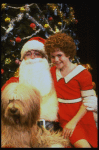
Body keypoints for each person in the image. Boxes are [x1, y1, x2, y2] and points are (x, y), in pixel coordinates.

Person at [44, 32, 98, 148]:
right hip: (64, 118)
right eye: (53, 56)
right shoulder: (52, 72)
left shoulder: (83, 74)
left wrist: (72, 123)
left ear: (68, 54)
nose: (56, 59)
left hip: (81, 118)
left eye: (59, 55)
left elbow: (88, 102)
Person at [1, 37, 58, 131]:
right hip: (22, 126)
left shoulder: (55, 77)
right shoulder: (13, 82)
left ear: (44, 57)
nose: (32, 57)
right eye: (28, 54)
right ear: (23, 59)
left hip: (50, 125)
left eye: (37, 54)